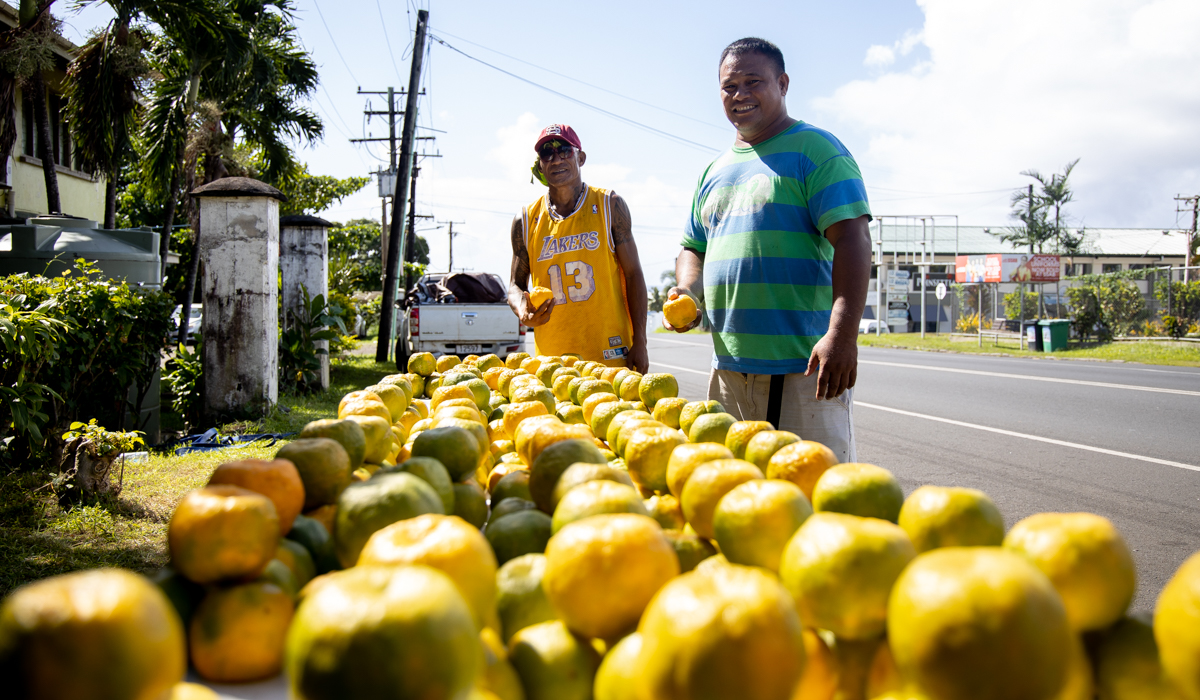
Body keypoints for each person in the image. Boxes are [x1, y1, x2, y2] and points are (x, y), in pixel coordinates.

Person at [666, 38, 873, 462]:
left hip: (805, 370)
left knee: (817, 500)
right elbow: (693, 246)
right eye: (729, 86)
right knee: (737, 499)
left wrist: (842, 335)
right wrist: (687, 290)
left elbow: (853, 240)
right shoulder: (715, 169)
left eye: (753, 81)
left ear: (782, 83)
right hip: (728, 369)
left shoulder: (816, 150)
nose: (740, 94)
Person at [507, 124, 649, 372]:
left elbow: (634, 274)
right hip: (552, 360)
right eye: (547, 154)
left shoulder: (609, 205)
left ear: (580, 157)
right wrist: (522, 309)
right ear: (540, 165)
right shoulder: (526, 219)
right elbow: (515, 286)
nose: (556, 159)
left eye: (564, 151)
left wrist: (641, 341)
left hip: (610, 353)